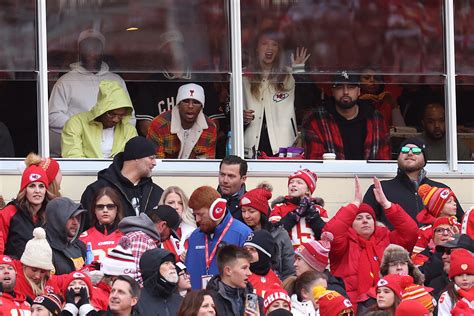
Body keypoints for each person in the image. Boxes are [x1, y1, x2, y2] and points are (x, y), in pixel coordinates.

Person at [323, 177, 418, 308]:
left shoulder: (386, 239)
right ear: (351, 223)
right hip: (352, 309)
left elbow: (411, 233)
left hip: (385, 308)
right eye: (359, 218)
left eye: (369, 218)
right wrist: (355, 204)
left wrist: (387, 205)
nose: (365, 221)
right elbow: (331, 232)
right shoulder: (343, 244)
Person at [48, 29, 131, 157]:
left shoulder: (116, 80)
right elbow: (53, 117)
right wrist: (83, 128)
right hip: (77, 145)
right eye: (87, 48)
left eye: (96, 48)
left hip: (114, 152)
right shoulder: (66, 81)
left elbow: (129, 117)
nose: (91, 52)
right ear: (79, 51)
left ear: (102, 51)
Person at [363, 137, 464, 227]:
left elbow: (461, 223)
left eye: (416, 151)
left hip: (435, 248)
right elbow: (365, 224)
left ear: (425, 159)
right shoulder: (379, 189)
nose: (410, 153)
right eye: (405, 150)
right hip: (395, 248)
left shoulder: (441, 190)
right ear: (398, 157)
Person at [242, 28, 310, 158]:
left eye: (274, 44)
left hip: (284, 148)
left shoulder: (289, 74)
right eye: (264, 43)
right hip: (249, 148)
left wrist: (299, 72)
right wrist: (240, 117)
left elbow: (305, 101)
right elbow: (229, 110)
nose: (269, 48)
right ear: (256, 48)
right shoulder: (243, 75)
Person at [302, 71, 390, 160]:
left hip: (370, 173)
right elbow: (314, 162)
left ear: (359, 91)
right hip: (330, 173)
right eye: (340, 87)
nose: (346, 92)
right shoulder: (316, 120)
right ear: (332, 91)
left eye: (351, 87)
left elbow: (384, 161)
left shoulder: (376, 119)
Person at [81, 136, 164, 219]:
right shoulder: (96, 190)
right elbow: (86, 226)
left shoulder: (156, 192)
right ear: (136, 157)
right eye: (151, 158)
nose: (154, 163)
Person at [185, 186, 251, 289]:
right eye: (195, 215)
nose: (197, 219)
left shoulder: (242, 234)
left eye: (200, 214)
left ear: (217, 210)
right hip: (198, 302)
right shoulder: (195, 236)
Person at [61, 80, 137, 158]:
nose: (116, 119)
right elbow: (73, 157)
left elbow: (134, 159)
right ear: (101, 110)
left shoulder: (129, 130)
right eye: (111, 114)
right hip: (84, 170)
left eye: (121, 116)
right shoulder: (77, 123)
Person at [147, 83, 217, 159]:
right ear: (178, 104)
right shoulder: (159, 125)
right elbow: (155, 164)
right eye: (186, 101)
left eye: (196, 102)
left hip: (195, 170)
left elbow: (208, 164)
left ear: (201, 107)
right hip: (166, 171)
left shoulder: (210, 127)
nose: (190, 106)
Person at [240, 183, 295, 279]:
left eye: (251, 211)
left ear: (262, 213)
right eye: (243, 211)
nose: (246, 216)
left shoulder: (280, 234)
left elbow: (289, 269)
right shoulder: (242, 233)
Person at [0, 165, 54, 258]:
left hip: (45, 270)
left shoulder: (51, 214)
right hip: (15, 269)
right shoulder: (9, 212)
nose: (37, 191)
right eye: (32, 186)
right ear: (24, 190)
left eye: (41, 186)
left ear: (46, 190)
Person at [118, 205, 181, 285]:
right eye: (170, 233)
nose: (169, 237)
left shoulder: (137, 235)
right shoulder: (142, 239)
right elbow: (133, 277)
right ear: (162, 225)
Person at [269, 169, 328, 248]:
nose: (293, 185)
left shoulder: (318, 209)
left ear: (308, 190)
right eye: (291, 182)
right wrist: (294, 215)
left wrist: (314, 218)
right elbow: (273, 233)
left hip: (312, 256)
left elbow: (326, 236)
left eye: (299, 182)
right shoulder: (279, 207)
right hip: (288, 256)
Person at [206, 245, 263, 315]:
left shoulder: (253, 300)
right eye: (244, 268)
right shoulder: (209, 301)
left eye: (249, 268)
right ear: (228, 271)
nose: (249, 273)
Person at [412, 184, 460, 260]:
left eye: (454, 201)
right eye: (449, 202)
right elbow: (416, 257)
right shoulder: (425, 231)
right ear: (439, 208)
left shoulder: (459, 226)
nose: (454, 203)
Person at [292, 232, 347, 297]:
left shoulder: (334, 292)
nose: (294, 264)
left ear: (313, 263)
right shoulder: (295, 284)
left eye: (299, 259)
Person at [43, 197, 87, 275]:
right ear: (56, 220)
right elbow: (45, 282)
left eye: (77, 217)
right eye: (70, 217)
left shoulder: (80, 246)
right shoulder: (42, 247)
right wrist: (73, 279)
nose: (76, 223)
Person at [15, 228, 62, 299]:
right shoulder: (12, 278)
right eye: (34, 270)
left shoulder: (50, 281)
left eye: (43, 271)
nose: (37, 276)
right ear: (24, 265)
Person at [80, 187, 124, 262]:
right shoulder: (82, 239)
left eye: (110, 206)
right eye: (100, 207)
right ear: (94, 210)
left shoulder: (127, 237)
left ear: (117, 209)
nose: (105, 210)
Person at [135, 248, 183, 315]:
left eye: (172, 263)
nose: (173, 266)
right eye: (166, 263)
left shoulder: (180, 301)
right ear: (154, 268)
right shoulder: (136, 300)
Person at [158, 186, 196, 261]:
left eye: (180, 203)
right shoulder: (155, 233)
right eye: (171, 203)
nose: (176, 207)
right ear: (163, 205)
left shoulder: (194, 232)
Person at [243, 230, 282, 297]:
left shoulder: (276, 281)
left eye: (252, 250)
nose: (247, 253)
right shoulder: (241, 277)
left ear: (263, 254)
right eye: (246, 249)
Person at [438, 248, 474, 314]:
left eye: (469, 274)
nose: (464, 278)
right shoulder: (447, 296)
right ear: (453, 277)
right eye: (459, 275)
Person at [217, 155, 248, 220]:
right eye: (222, 174)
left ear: (243, 179)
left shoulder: (252, 205)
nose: (225, 180)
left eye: (231, 176)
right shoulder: (208, 201)